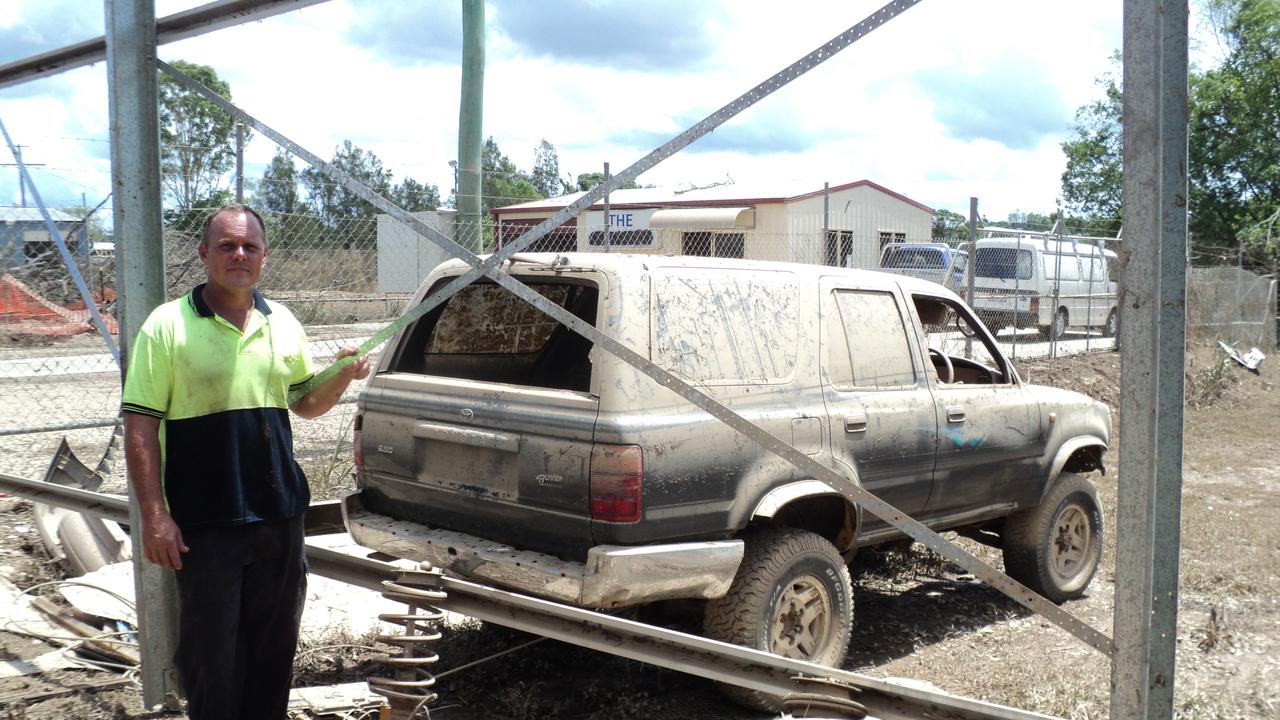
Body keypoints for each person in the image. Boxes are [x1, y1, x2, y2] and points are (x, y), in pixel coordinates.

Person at [122, 203, 370, 719]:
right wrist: (155, 515)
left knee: (272, 651)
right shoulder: (166, 326)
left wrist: (341, 375)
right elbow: (140, 424)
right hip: (205, 523)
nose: (239, 254)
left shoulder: (283, 321)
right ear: (203, 254)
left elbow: (304, 403)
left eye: (249, 246)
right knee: (211, 657)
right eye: (227, 245)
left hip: (279, 515)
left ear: (264, 256)